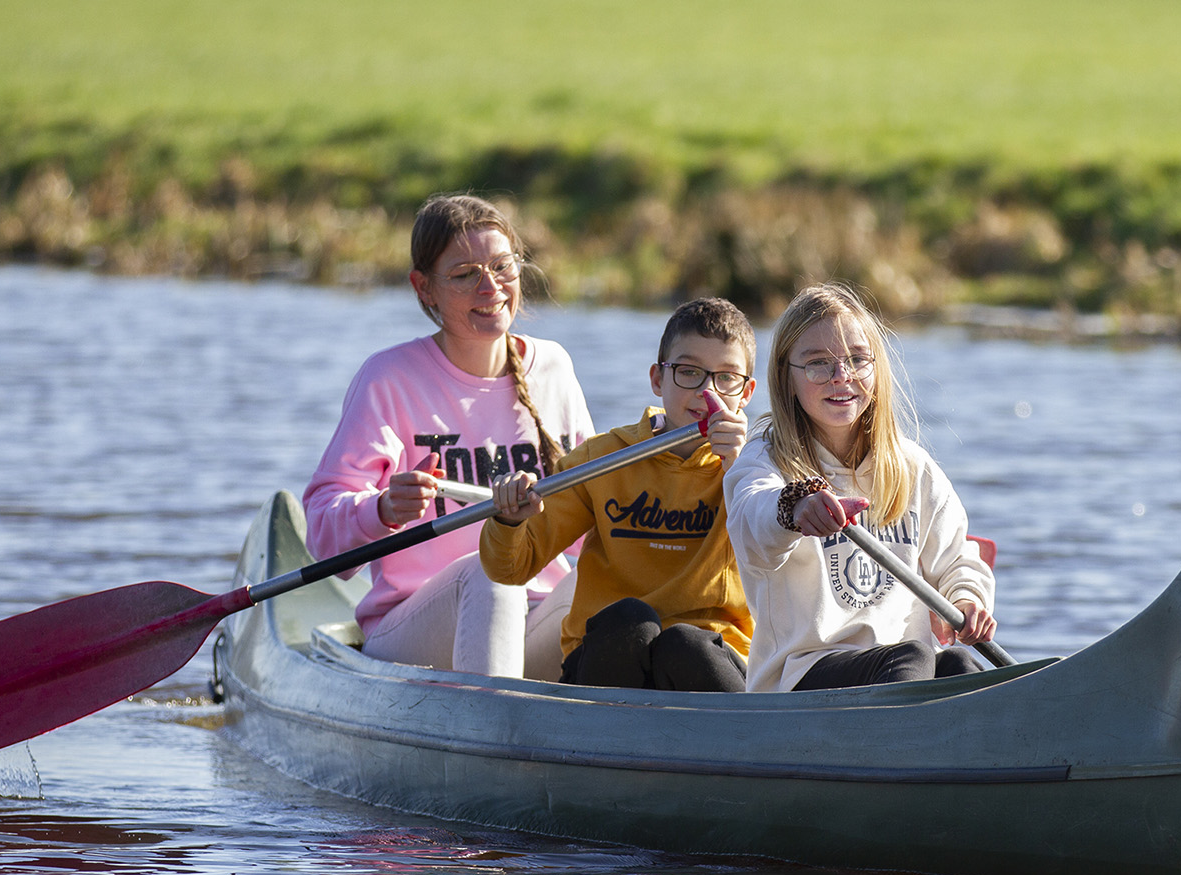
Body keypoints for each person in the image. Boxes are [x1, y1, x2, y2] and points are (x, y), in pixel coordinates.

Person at [302, 193, 595, 679]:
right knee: (492, 566)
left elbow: (588, 516)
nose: (490, 288)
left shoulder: (555, 367)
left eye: (502, 267)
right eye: (464, 275)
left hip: (535, 619)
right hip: (415, 629)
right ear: (425, 289)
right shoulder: (388, 378)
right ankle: (493, 734)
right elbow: (321, 534)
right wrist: (382, 510)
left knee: (626, 568)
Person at [723, 282, 996, 694]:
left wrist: (967, 600)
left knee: (956, 661)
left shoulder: (912, 467)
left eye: (857, 360)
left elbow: (958, 559)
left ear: (876, 368)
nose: (841, 378)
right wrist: (794, 508)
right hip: (798, 679)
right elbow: (751, 521)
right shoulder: (764, 461)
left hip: (898, 670)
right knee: (915, 656)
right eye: (818, 363)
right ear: (786, 377)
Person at [479, 297, 758, 691]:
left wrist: (740, 471)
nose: (705, 392)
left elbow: (788, 572)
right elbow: (510, 569)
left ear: (746, 393)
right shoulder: (604, 458)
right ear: (658, 379)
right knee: (629, 622)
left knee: (684, 644)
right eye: (689, 371)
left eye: (726, 377)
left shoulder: (758, 467)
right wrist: (508, 519)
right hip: (610, 655)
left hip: (709, 655)